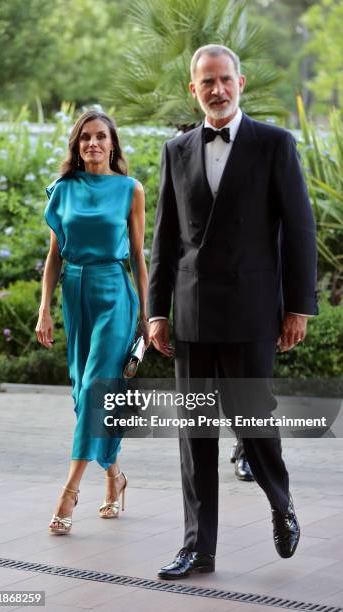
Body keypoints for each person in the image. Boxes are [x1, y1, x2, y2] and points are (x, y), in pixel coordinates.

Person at [148, 44, 318, 579]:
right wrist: (156, 311)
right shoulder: (175, 150)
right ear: (192, 90)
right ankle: (198, 548)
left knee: (253, 421)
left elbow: (300, 228)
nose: (217, 90)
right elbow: (164, 239)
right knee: (195, 433)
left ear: (240, 83)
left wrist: (298, 307)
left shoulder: (274, 143)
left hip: (251, 311)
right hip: (194, 313)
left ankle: (280, 502)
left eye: (225, 80)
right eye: (207, 83)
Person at [36, 110, 149, 533]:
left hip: (114, 293)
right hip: (74, 294)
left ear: (113, 144)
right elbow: (54, 255)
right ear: (76, 145)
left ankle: (69, 491)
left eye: (101, 136)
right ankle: (114, 477)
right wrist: (44, 308)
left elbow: (139, 255)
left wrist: (146, 314)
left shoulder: (130, 190)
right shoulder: (62, 189)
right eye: (85, 137)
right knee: (87, 395)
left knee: (96, 385)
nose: (93, 144)